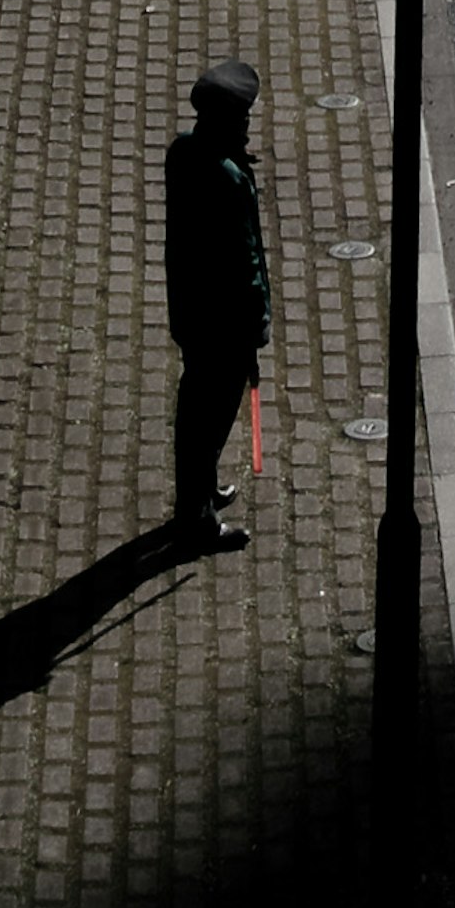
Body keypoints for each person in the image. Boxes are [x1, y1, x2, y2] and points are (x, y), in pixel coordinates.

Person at [163, 57, 271, 547]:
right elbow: (244, 264)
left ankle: (201, 488)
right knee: (213, 414)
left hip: (192, 312)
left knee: (197, 407)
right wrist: (258, 325)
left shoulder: (182, 154)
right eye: (243, 119)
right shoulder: (227, 179)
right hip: (226, 325)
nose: (248, 127)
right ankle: (197, 517)